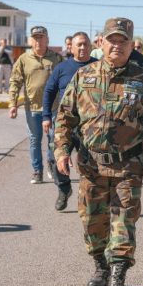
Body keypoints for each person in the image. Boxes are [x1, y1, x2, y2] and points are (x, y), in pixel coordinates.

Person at [54, 17, 143, 286]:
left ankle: (118, 276)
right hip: (91, 165)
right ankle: (100, 267)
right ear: (101, 43)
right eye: (112, 40)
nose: (117, 45)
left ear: (131, 45)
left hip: (128, 165)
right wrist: (62, 151)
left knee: (124, 220)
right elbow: (65, 117)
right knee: (92, 221)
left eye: (123, 41)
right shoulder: (84, 76)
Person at [42, 31, 97, 210]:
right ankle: (64, 189)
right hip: (65, 123)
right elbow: (49, 92)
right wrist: (46, 117)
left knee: (89, 164)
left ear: (91, 47)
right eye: (78, 44)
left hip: (90, 126)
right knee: (56, 159)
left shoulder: (99, 67)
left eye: (85, 44)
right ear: (70, 47)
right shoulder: (61, 68)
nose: (82, 47)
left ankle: (88, 197)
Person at [9, 25, 64, 184]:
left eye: (41, 37)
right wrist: (12, 104)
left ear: (47, 40)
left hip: (53, 108)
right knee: (34, 139)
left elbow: (65, 80)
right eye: (35, 38)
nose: (38, 40)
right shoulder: (23, 59)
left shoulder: (56, 58)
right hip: (32, 108)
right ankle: (37, 171)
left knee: (53, 139)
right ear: (31, 40)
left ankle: (51, 165)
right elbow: (15, 81)